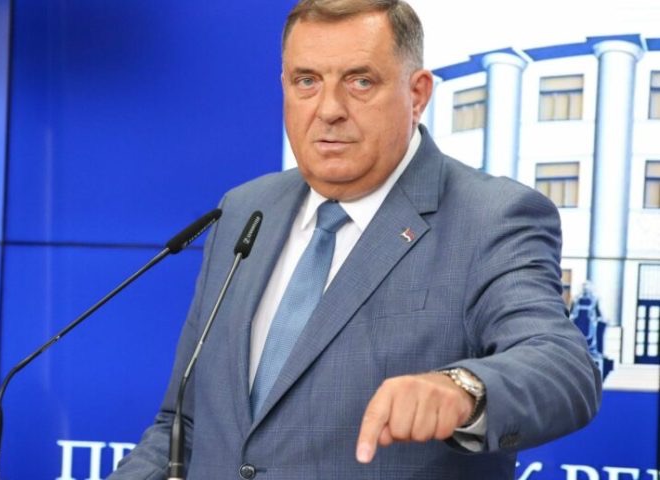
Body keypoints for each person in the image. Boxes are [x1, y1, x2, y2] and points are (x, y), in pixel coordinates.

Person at [109, 0, 601, 478]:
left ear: (417, 94)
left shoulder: (491, 218)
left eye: (360, 81)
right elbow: (184, 426)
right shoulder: (244, 209)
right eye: (306, 81)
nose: (329, 109)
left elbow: (563, 366)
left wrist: (463, 389)